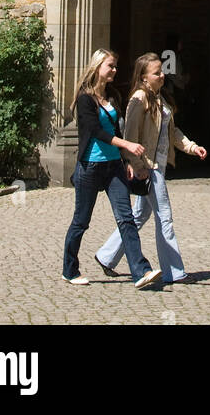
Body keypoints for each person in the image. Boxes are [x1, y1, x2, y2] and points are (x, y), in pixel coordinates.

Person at [94, 53, 207, 285]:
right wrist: (137, 166)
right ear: (144, 78)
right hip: (149, 167)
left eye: (161, 71)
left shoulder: (159, 97)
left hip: (160, 165)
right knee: (164, 216)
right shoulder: (139, 99)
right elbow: (130, 136)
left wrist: (192, 147)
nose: (162, 75)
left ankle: (106, 256)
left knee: (139, 215)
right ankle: (174, 272)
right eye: (157, 72)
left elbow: (171, 131)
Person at [62, 48, 162, 288]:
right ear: (97, 67)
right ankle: (69, 269)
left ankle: (141, 271)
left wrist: (126, 160)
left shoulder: (113, 96)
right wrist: (127, 144)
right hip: (90, 167)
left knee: (126, 218)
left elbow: (116, 129)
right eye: (111, 66)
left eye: (115, 66)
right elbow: (96, 131)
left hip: (113, 167)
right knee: (81, 220)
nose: (115, 70)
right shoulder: (85, 99)